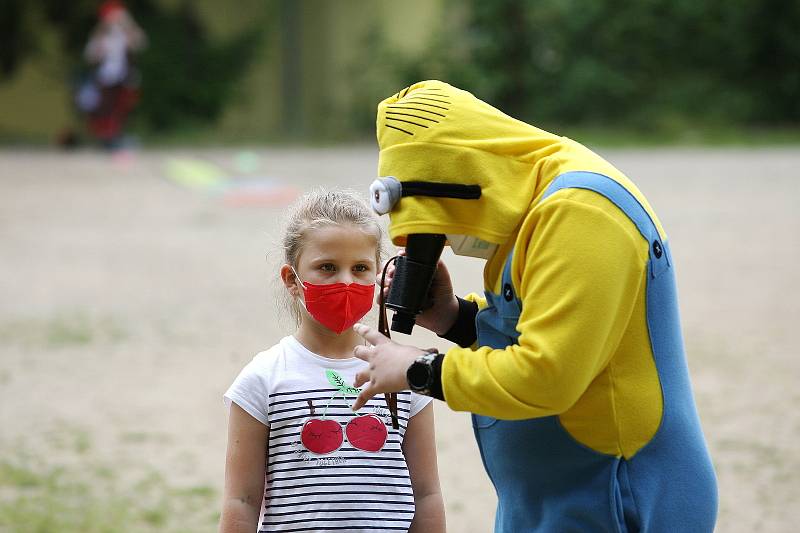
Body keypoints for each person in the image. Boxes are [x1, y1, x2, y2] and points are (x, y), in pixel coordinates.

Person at [351, 80, 718, 532]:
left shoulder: (580, 211)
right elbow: (536, 324)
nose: (445, 240)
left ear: (464, 174)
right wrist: (451, 316)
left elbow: (549, 374)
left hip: (617, 497)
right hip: (558, 498)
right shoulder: (530, 204)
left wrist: (420, 370)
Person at [219, 190, 446, 533]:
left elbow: (427, 495)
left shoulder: (406, 372)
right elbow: (241, 502)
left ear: (378, 275)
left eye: (360, 268)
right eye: (327, 267)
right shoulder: (262, 379)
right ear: (292, 280)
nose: (345, 281)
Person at [79, 0, 146, 148]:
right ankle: (106, 137)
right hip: (106, 77)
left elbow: (140, 43)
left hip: (125, 77)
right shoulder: (101, 35)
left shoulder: (126, 33)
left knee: (124, 108)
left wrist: (128, 26)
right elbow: (90, 55)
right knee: (105, 107)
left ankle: (119, 135)